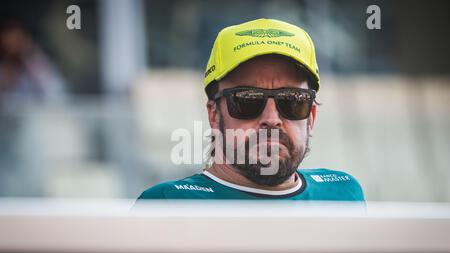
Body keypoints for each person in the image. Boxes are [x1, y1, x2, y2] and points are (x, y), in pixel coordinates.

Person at [137, 18, 364, 200]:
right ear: (214, 115)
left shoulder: (344, 194)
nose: (272, 118)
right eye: (248, 99)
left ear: (311, 117)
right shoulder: (167, 204)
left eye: (293, 100)